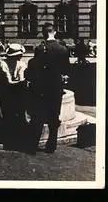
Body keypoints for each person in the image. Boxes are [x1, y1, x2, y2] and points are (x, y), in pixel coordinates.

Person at [25, 23, 70, 154]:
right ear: (54, 32)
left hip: (41, 87)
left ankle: (33, 144)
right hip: (56, 87)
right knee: (54, 116)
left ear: (44, 34)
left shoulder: (40, 49)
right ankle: (51, 145)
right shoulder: (62, 49)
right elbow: (66, 70)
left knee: (38, 116)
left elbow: (34, 68)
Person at [0, 43, 28, 146]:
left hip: (15, 92)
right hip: (5, 92)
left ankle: (19, 133)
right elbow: (9, 81)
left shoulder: (21, 65)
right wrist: (19, 83)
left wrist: (20, 83)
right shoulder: (3, 64)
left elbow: (21, 78)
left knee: (20, 105)